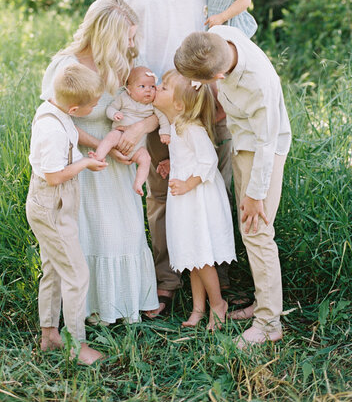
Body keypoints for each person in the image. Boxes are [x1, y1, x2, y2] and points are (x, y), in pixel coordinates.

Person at [98, 0, 233, 315]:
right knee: (162, 191)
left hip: (210, 94)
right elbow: (110, 41)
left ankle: (222, 280)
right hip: (154, 101)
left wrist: (225, 78)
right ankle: (167, 279)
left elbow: (232, 11)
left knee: (215, 182)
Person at [41, 0, 159, 324]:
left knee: (128, 231)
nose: (132, 44)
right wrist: (104, 146)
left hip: (118, 162)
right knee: (95, 234)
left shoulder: (122, 63)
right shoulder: (66, 66)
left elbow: (155, 109)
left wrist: (137, 131)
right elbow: (57, 121)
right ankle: (93, 311)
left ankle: (129, 302)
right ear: (107, 35)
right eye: (128, 37)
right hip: (84, 161)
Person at [174, 26, 291, 348]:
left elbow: (267, 144)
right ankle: (265, 301)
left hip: (262, 148)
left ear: (220, 76)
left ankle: (269, 322)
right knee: (249, 230)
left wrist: (255, 196)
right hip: (242, 140)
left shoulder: (259, 86)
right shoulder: (216, 37)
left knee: (257, 230)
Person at [26, 64, 107, 365]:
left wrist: (99, 146)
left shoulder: (57, 110)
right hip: (52, 206)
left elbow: (73, 132)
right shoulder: (50, 130)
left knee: (54, 267)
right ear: (74, 107)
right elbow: (54, 176)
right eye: (93, 105)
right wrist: (86, 163)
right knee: (76, 273)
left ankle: (50, 335)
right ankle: (76, 346)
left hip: (54, 204)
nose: (97, 106)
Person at [153, 70, 236, 331]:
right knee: (192, 257)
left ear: (178, 104)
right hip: (186, 199)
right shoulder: (178, 126)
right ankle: (198, 308)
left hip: (197, 200)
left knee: (202, 257)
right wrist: (171, 162)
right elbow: (188, 157)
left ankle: (218, 304)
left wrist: (188, 182)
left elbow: (208, 161)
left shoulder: (191, 128)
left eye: (164, 87)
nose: (157, 87)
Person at [93, 66, 170, 195]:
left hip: (138, 148)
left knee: (146, 159)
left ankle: (139, 183)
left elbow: (162, 118)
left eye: (152, 87)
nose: (148, 90)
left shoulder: (152, 105)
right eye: (142, 86)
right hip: (120, 135)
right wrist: (114, 114)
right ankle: (99, 156)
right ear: (129, 90)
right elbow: (110, 108)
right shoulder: (123, 98)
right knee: (111, 136)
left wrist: (165, 133)